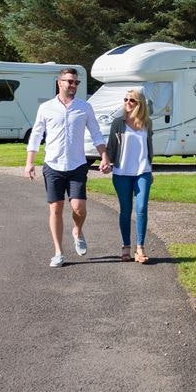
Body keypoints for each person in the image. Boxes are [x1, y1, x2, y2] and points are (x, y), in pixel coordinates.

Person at [25, 67, 111, 268]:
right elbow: (36, 135)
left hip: (77, 165)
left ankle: (77, 231)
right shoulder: (46, 108)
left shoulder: (84, 107)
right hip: (53, 165)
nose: (73, 85)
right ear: (59, 82)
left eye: (76, 82)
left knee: (79, 208)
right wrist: (30, 162)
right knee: (56, 208)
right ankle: (58, 252)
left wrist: (104, 156)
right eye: (70, 81)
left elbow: (97, 134)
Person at [107, 88, 155, 264]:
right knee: (125, 210)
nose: (127, 103)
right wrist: (106, 162)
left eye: (132, 100)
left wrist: (151, 169)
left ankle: (140, 248)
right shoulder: (118, 123)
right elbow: (111, 146)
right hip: (121, 173)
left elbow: (149, 148)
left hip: (143, 171)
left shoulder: (147, 123)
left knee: (141, 208)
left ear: (139, 104)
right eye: (125, 99)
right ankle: (126, 246)